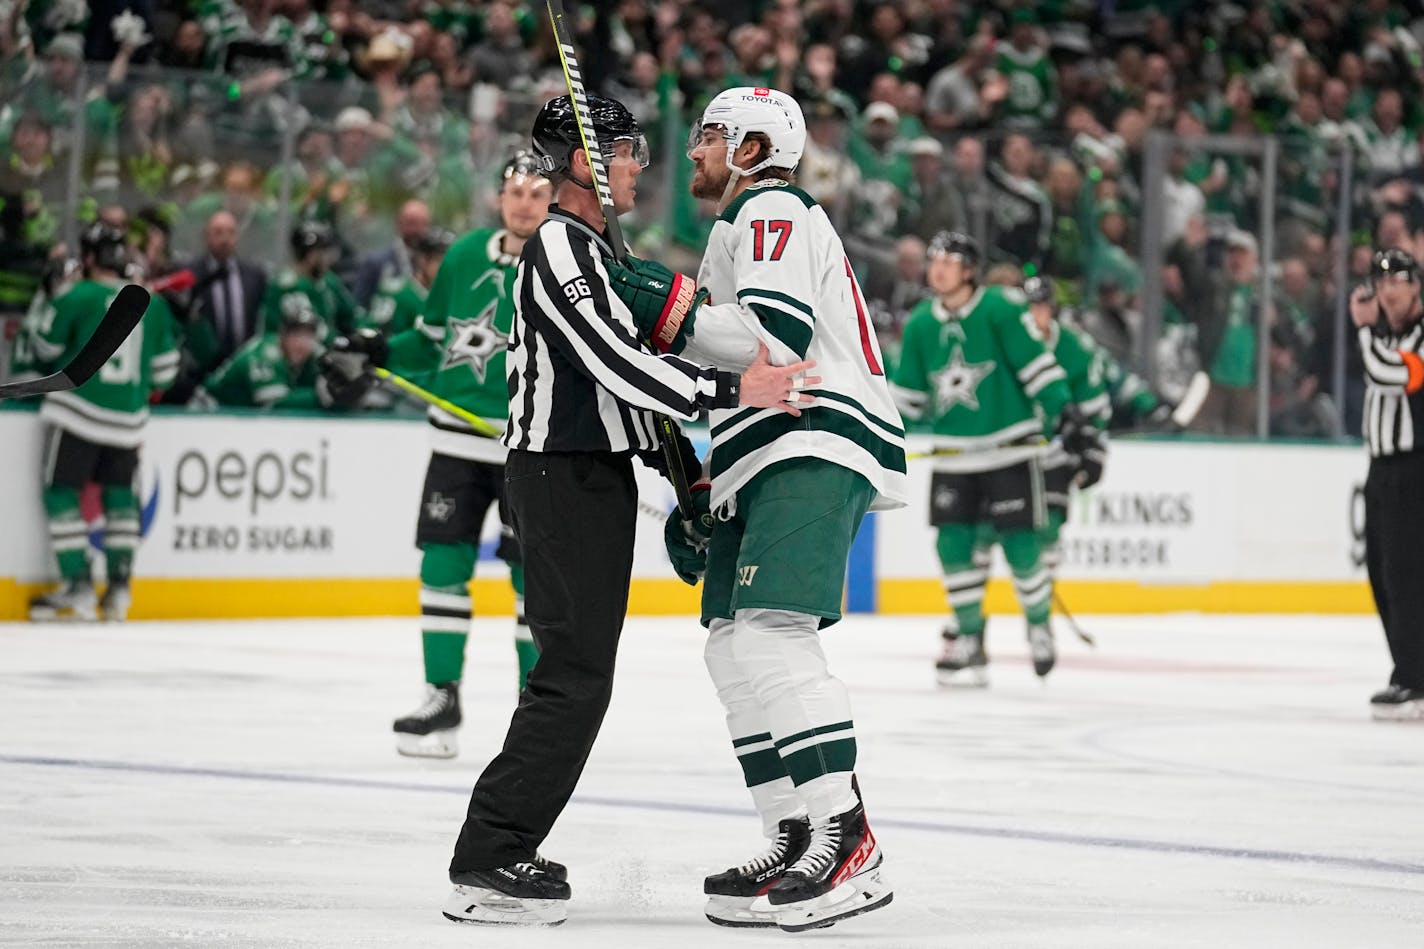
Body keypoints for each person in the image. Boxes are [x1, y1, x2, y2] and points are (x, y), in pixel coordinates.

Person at [439, 94, 816, 927]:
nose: (638, 162)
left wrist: (685, 479)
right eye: (623, 149)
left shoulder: (597, 248)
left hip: (589, 478)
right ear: (579, 160)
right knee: (572, 674)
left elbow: (634, 388)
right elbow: (615, 365)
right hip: (558, 475)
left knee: (578, 674)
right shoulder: (560, 246)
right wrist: (732, 386)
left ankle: (499, 845)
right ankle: (489, 854)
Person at [607, 87, 906, 932]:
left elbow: (779, 341)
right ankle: (794, 829)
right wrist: (707, 479)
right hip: (764, 446)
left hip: (813, 433)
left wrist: (662, 305)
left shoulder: (771, 206)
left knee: (772, 632)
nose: (693, 151)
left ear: (750, 147)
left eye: (709, 136)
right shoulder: (735, 225)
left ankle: (849, 839)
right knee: (733, 648)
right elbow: (732, 364)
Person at [325, 153, 552, 760]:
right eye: (514, 190)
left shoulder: (563, 258)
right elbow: (430, 344)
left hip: (527, 447)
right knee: (442, 564)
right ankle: (441, 697)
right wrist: (370, 349)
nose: (524, 201)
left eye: (537, 191)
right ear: (499, 197)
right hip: (454, 441)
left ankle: (535, 713)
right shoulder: (465, 254)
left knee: (532, 580)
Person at [888, 232, 1080, 686]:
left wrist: (1064, 411)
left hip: (1009, 448)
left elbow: (1035, 364)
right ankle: (971, 639)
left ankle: (1037, 624)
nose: (937, 268)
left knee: (1021, 545)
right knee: (952, 546)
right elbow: (909, 398)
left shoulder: (999, 309)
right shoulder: (919, 324)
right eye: (933, 259)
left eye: (949, 260)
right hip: (956, 457)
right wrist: (885, 430)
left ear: (969, 269)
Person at [26, 222, 179, 622]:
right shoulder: (152, 302)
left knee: (61, 492)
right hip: (129, 420)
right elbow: (164, 373)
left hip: (77, 412)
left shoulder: (79, 295)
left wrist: (53, 296)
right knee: (121, 499)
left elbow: (44, 348)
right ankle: (119, 590)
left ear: (89, 257)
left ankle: (77, 585)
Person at [1351, 248, 1424, 721]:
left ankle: (1414, 676)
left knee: (1406, 574)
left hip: (1414, 469)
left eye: (1396, 282)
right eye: (1380, 285)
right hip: (1381, 470)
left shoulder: (1418, 337)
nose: (1387, 292)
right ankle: (1406, 668)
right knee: (1381, 572)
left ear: (1415, 285)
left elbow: (1390, 374)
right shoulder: (1386, 334)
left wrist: (1361, 328)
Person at [201, 305, 323, 409]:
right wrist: (321, 395)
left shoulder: (312, 354)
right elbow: (273, 405)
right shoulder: (264, 355)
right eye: (296, 334)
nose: (301, 343)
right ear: (282, 334)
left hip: (235, 417)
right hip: (206, 411)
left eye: (308, 336)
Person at [258, 221, 358, 342]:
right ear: (310, 254)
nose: (329, 258)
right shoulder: (285, 286)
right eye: (323, 252)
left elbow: (350, 315)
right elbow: (271, 333)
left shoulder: (329, 280)